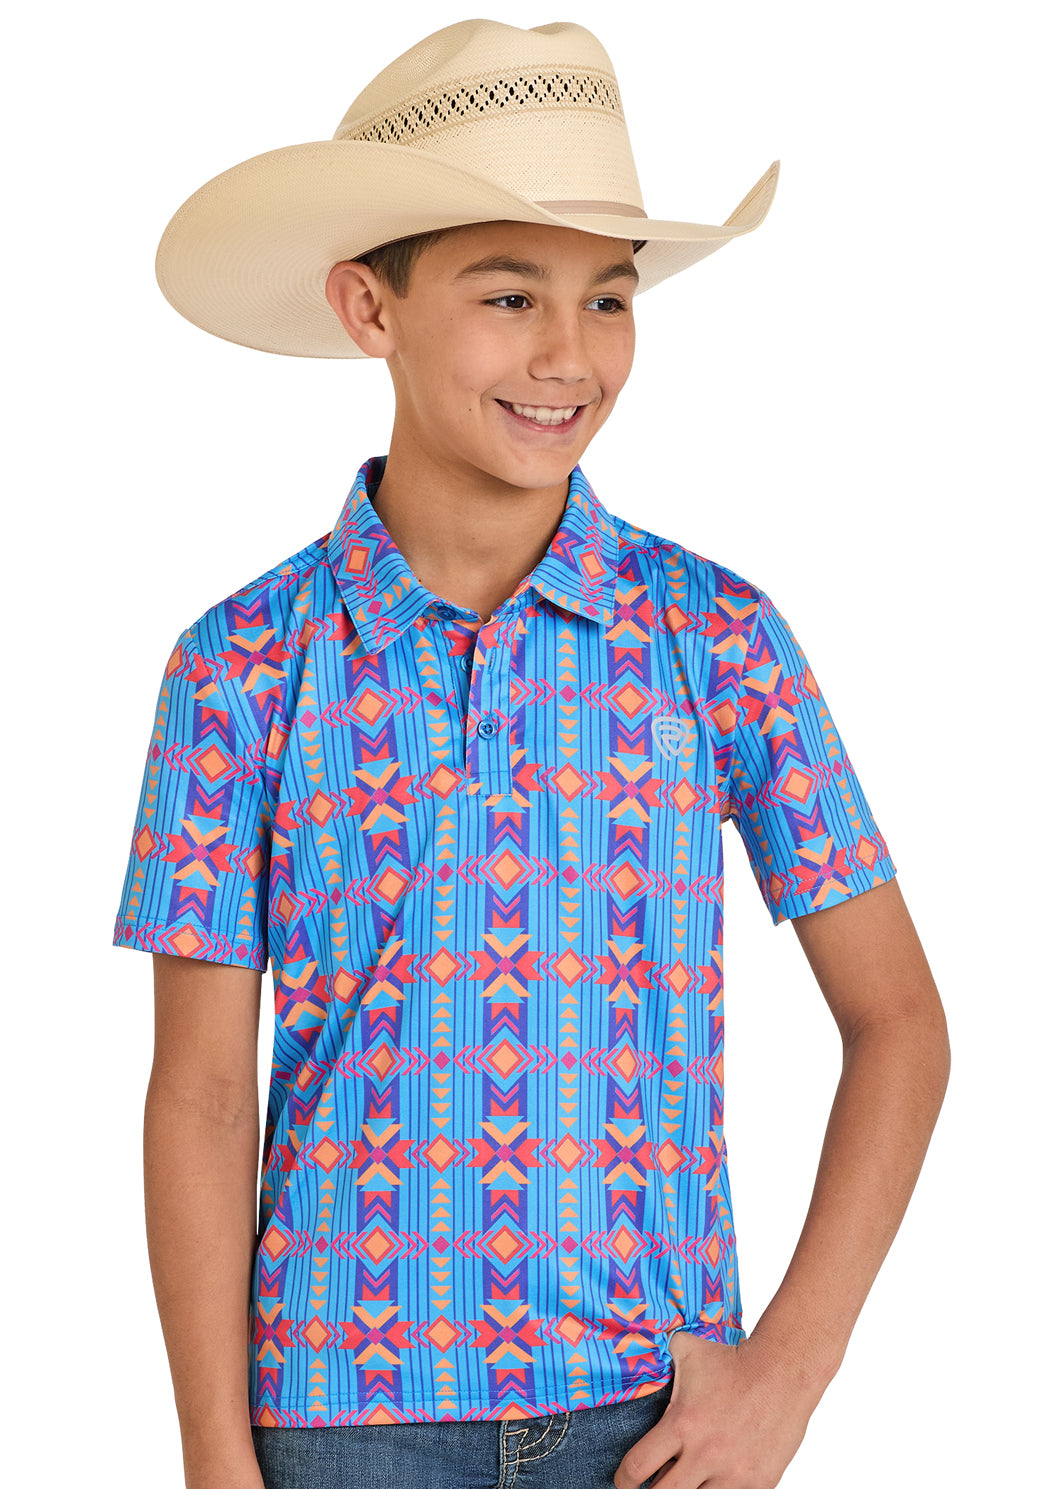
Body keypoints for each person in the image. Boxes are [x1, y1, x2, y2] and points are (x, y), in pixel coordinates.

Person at [113, 18, 950, 1489]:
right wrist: (211, 1457)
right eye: (512, 296)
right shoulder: (239, 666)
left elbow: (899, 1022)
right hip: (336, 1422)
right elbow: (197, 1091)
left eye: (610, 300)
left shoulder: (719, 639)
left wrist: (788, 1375)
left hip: (652, 1418)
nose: (571, 356)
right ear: (370, 308)